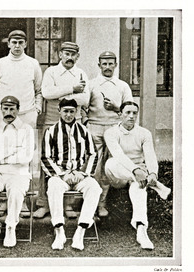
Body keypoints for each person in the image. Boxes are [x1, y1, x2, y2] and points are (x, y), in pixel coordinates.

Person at [104, 101, 171, 250]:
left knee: (139, 191)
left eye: (134, 113)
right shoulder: (110, 133)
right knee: (110, 163)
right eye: (127, 113)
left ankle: (141, 231)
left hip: (139, 175)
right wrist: (136, 171)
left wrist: (153, 172)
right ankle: (157, 186)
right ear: (120, 115)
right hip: (118, 175)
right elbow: (119, 155)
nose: (131, 116)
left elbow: (150, 156)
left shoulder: (144, 133)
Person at [34, 41, 90, 219]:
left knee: (72, 160)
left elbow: (85, 99)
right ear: (60, 55)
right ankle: (43, 203)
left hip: (75, 123)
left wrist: (62, 97)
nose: (69, 57)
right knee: (48, 160)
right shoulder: (51, 72)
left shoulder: (81, 73)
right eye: (66, 53)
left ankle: (67, 204)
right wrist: (72, 89)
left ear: (77, 57)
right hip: (51, 122)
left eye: (73, 54)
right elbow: (46, 93)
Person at [41, 98, 101, 250]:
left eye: (72, 112)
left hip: (79, 175)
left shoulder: (84, 131)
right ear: (59, 111)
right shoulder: (51, 131)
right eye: (65, 111)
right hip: (60, 176)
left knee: (94, 187)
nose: (68, 115)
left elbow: (93, 154)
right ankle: (59, 231)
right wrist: (61, 174)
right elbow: (45, 157)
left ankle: (80, 231)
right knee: (53, 187)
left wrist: (84, 174)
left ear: (76, 112)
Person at [0, 96, 35, 248]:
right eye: (5, 108)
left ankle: (11, 227)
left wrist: (0, 155)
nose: (8, 112)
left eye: (12, 109)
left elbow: (26, 157)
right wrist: (14, 151)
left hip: (19, 172)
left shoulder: (27, 130)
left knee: (16, 190)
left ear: (18, 109)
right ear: (1, 110)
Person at [86, 51, 133, 217]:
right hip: (95, 127)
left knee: (108, 168)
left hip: (113, 128)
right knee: (93, 167)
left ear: (115, 65)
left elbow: (130, 110)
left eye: (110, 63)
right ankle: (88, 205)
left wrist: (116, 107)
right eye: (104, 64)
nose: (107, 67)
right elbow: (83, 107)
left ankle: (102, 204)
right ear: (99, 65)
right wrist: (87, 123)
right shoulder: (91, 84)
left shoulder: (122, 86)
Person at [0, 30, 43, 128]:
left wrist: (37, 109)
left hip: (27, 114)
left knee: (26, 143)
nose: (17, 46)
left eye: (21, 42)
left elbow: (39, 91)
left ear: (25, 44)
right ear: (8, 44)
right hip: (3, 114)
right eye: (14, 42)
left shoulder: (33, 63)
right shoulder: (0, 63)